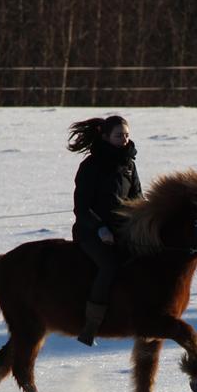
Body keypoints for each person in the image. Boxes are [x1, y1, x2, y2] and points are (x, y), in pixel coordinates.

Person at [68, 114, 142, 346]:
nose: (124, 140)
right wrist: (100, 228)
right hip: (90, 232)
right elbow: (81, 207)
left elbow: (137, 199)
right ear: (106, 136)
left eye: (127, 135)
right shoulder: (90, 166)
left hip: (121, 231)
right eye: (119, 136)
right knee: (109, 265)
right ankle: (91, 326)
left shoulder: (129, 165)